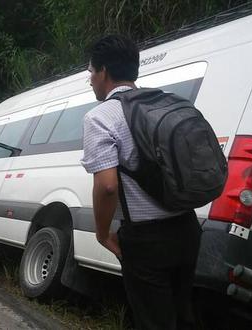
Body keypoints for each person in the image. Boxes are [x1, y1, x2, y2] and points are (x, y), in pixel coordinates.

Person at [81, 35, 201, 329]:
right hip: (187, 229)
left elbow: (108, 185)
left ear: (104, 72)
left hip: (146, 241)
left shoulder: (101, 116)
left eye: (91, 73)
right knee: (182, 315)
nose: (90, 80)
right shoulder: (168, 103)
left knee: (153, 321)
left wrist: (101, 233)